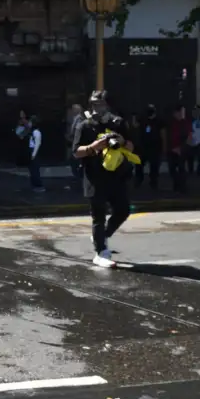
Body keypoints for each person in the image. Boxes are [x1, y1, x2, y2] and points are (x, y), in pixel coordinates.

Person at [72, 90, 134, 268]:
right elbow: (76, 152)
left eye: (100, 104)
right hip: (94, 177)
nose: (96, 108)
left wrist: (121, 141)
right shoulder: (84, 125)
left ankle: (102, 236)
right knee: (98, 216)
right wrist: (93, 147)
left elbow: (132, 147)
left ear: (108, 106)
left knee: (123, 210)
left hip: (117, 176)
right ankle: (101, 253)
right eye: (93, 105)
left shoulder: (119, 123)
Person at [133, 104, 164, 189]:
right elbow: (136, 125)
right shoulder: (143, 119)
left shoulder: (158, 120)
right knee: (140, 165)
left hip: (154, 147)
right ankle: (140, 180)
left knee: (154, 166)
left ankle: (153, 182)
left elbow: (162, 132)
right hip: (144, 146)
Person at [166, 105, 191, 194]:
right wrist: (172, 148)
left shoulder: (185, 123)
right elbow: (168, 136)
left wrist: (181, 148)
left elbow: (188, 137)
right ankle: (176, 186)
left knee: (181, 168)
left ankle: (182, 188)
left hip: (182, 150)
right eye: (181, 112)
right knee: (172, 169)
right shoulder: (171, 123)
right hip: (172, 149)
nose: (182, 114)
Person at [26, 115, 44, 192]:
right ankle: (34, 185)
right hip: (31, 151)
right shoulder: (32, 132)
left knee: (35, 170)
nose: (29, 123)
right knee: (32, 170)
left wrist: (33, 154)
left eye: (30, 122)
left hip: (34, 152)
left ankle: (39, 186)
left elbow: (37, 144)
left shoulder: (37, 132)